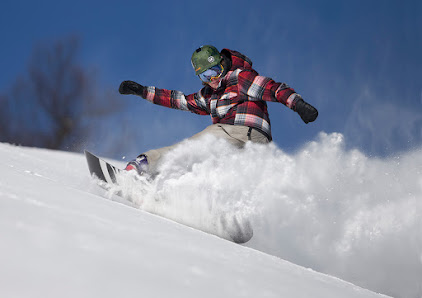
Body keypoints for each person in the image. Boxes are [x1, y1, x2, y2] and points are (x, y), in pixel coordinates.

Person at [119, 45, 318, 176]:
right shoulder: (209, 95)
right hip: (251, 149)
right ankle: (233, 217)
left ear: (222, 65)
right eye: (205, 76)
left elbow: (272, 89)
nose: (212, 80)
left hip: (244, 131)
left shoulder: (240, 78)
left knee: (192, 148)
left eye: (214, 72)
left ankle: (145, 167)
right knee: (216, 172)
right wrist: (143, 91)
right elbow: (180, 100)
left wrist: (297, 104)